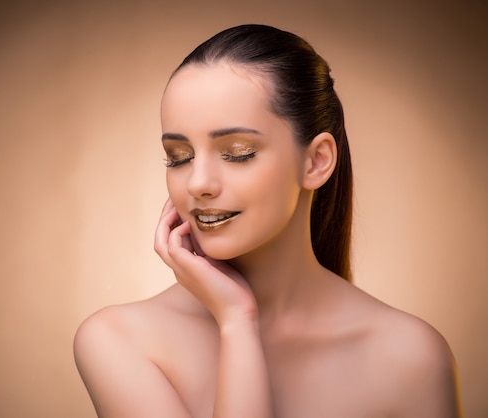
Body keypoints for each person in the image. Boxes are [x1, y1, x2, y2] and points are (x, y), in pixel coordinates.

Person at [73, 24, 462, 417]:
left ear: (316, 161)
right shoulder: (118, 339)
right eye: (179, 156)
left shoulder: (411, 357)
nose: (199, 183)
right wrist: (237, 322)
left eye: (237, 152)